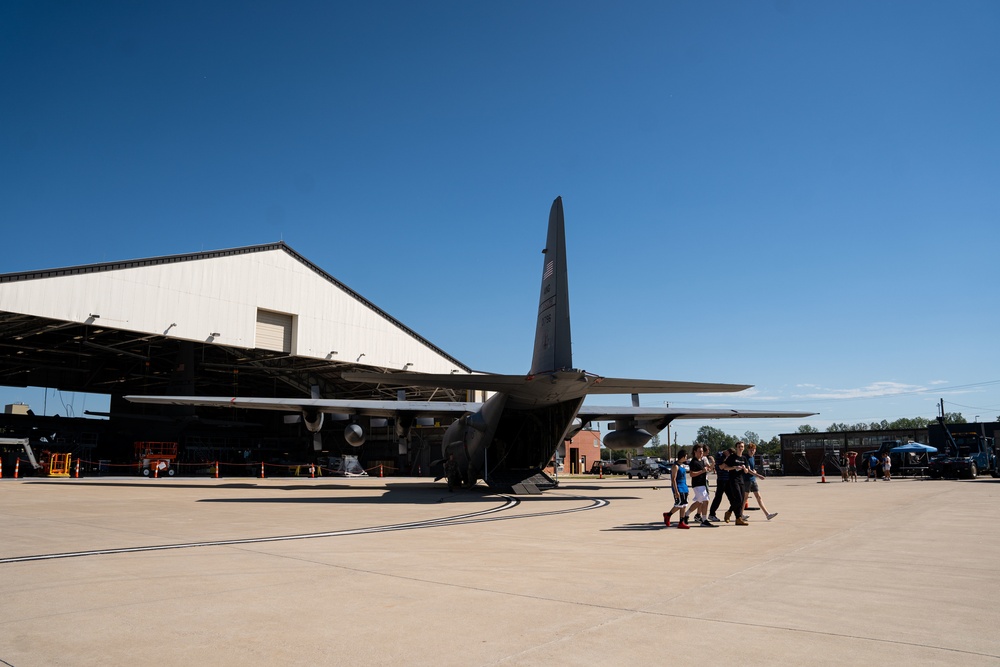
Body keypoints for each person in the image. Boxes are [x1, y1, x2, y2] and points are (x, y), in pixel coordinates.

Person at [743, 442, 777, 520]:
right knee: (745, 498)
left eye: (753, 450)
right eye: (750, 450)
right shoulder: (746, 458)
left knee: (758, 497)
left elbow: (752, 469)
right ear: (748, 450)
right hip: (747, 480)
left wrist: (755, 472)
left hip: (753, 480)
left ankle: (767, 514)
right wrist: (758, 475)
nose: (752, 451)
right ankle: (740, 514)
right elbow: (748, 470)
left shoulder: (753, 458)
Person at [720, 442, 750, 525]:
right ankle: (729, 512)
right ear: (736, 448)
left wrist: (744, 469)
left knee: (742, 500)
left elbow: (747, 471)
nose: (741, 448)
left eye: (742, 447)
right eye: (739, 446)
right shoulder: (732, 457)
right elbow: (724, 467)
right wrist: (734, 467)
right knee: (738, 499)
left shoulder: (744, 458)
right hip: (733, 480)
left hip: (741, 480)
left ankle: (738, 519)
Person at [687, 444, 717, 527]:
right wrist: (702, 471)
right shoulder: (694, 462)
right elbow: (692, 474)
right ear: (695, 452)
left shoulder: (702, 460)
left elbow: (709, 469)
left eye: (702, 451)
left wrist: (713, 463)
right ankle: (704, 520)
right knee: (705, 500)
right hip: (697, 484)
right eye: (699, 451)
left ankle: (686, 515)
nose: (701, 453)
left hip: (703, 483)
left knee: (699, 502)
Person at [663, 449, 691, 529]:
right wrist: (676, 491)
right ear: (682, 456)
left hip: (684, 487)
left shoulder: (683, 465)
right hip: (678, 487)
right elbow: (673, 479)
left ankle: (681, 522)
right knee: (679, 504)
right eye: (686, 456)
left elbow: (684, 478)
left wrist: (687, 488)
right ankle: (668, 515)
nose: (687, 458)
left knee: (684, 505)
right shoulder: (675, 466)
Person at [707, 448, 732, 522]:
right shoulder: (719, 455)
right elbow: (721, 467)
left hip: (728, 479)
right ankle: (712, 514)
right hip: (721, 479)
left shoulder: (726, 456)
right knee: (718, 497)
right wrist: (727, 458)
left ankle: (738, 514)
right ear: (727, 452)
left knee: (733, 498)